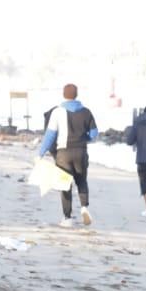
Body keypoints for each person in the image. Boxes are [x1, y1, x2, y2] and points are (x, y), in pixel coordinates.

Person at [38, 83, 99, 228]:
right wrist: (86, 140)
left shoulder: (58, 112)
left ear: (64, 95)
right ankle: (84, 207)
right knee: (82, 181)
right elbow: (94, 134)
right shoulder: (86, 112)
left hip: (63, 154)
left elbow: (50, 135)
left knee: (64, 185)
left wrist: (41, 153)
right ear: (76, 95)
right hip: (81, 151)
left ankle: (67, 217)